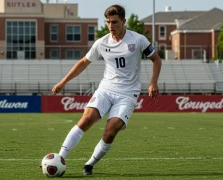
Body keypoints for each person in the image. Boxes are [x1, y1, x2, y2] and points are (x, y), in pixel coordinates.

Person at [51, 4, 162, 176]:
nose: (111, 26)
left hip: (127, 94)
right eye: (108, 22)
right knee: (86, 119)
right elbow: (83, 63)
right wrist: (63, 82)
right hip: (106, 89)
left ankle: (89, 164)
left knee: (110, 131)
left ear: (124, 21)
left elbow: (156, 60)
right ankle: (60, 158)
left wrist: (153, 82)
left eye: (115, 22)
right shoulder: (101, 43)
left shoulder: (138, 40)